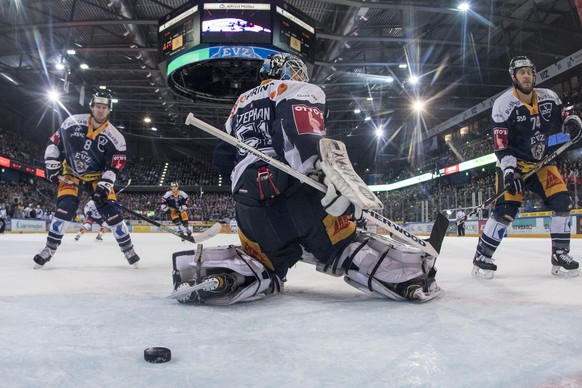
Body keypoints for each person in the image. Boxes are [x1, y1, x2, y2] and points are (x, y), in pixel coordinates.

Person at [170, 53, 441, 305]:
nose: (300, 77)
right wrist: (324, 176)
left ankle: (216, 277)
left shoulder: (239, 105)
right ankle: (411, 276)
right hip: (295, 188)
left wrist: (249, 193)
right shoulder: (295, 90)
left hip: (248, 202)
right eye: (296, 71)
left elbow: (223, 159)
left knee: (264, 263)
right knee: (343, 247)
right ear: (281, 71)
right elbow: (298, 135)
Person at [471, 56, 582, 279]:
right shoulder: (503, 105)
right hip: (514, 164)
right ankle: (482, 256)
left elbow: (562, 118)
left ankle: (559, 253)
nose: (526, 76)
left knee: (562, 201)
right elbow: (502, 146)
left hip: (541, 163)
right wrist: (510, 172)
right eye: (521, 72)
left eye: (529, 72)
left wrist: (572, 121)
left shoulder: (549, 97)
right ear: (514, 77)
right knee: (506, 211)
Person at [33, 92, 140, 268]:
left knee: (113, 213)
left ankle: (128, 250)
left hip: (97, 178)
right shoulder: (72, 122)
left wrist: (103, 188)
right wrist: (52, 163)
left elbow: (113, 167)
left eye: (104, 107)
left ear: (109, 110)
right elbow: (54, 143)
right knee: (65, 209)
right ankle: (48, 250)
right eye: (98, 106)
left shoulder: (117, 138)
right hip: (71, 173)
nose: (100, 110)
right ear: (92, 107)